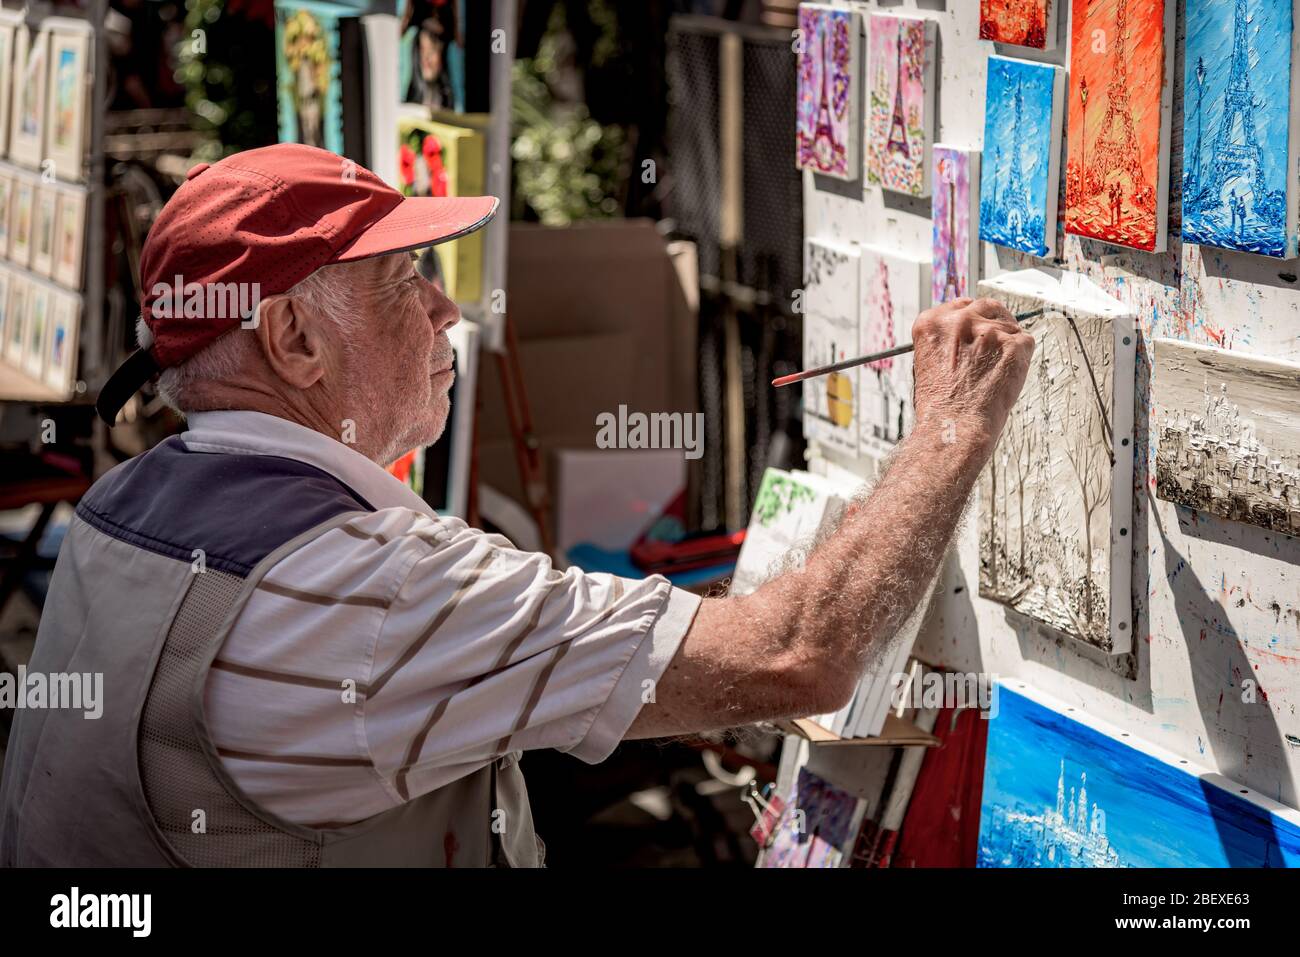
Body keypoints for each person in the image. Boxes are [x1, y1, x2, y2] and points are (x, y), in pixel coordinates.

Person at [0, 144, 1033, 867]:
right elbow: (794, 656)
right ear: (293, 343)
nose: (450, 311)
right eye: (405, 280)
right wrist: (948, 427)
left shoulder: (122, 501)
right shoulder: (362, 595)